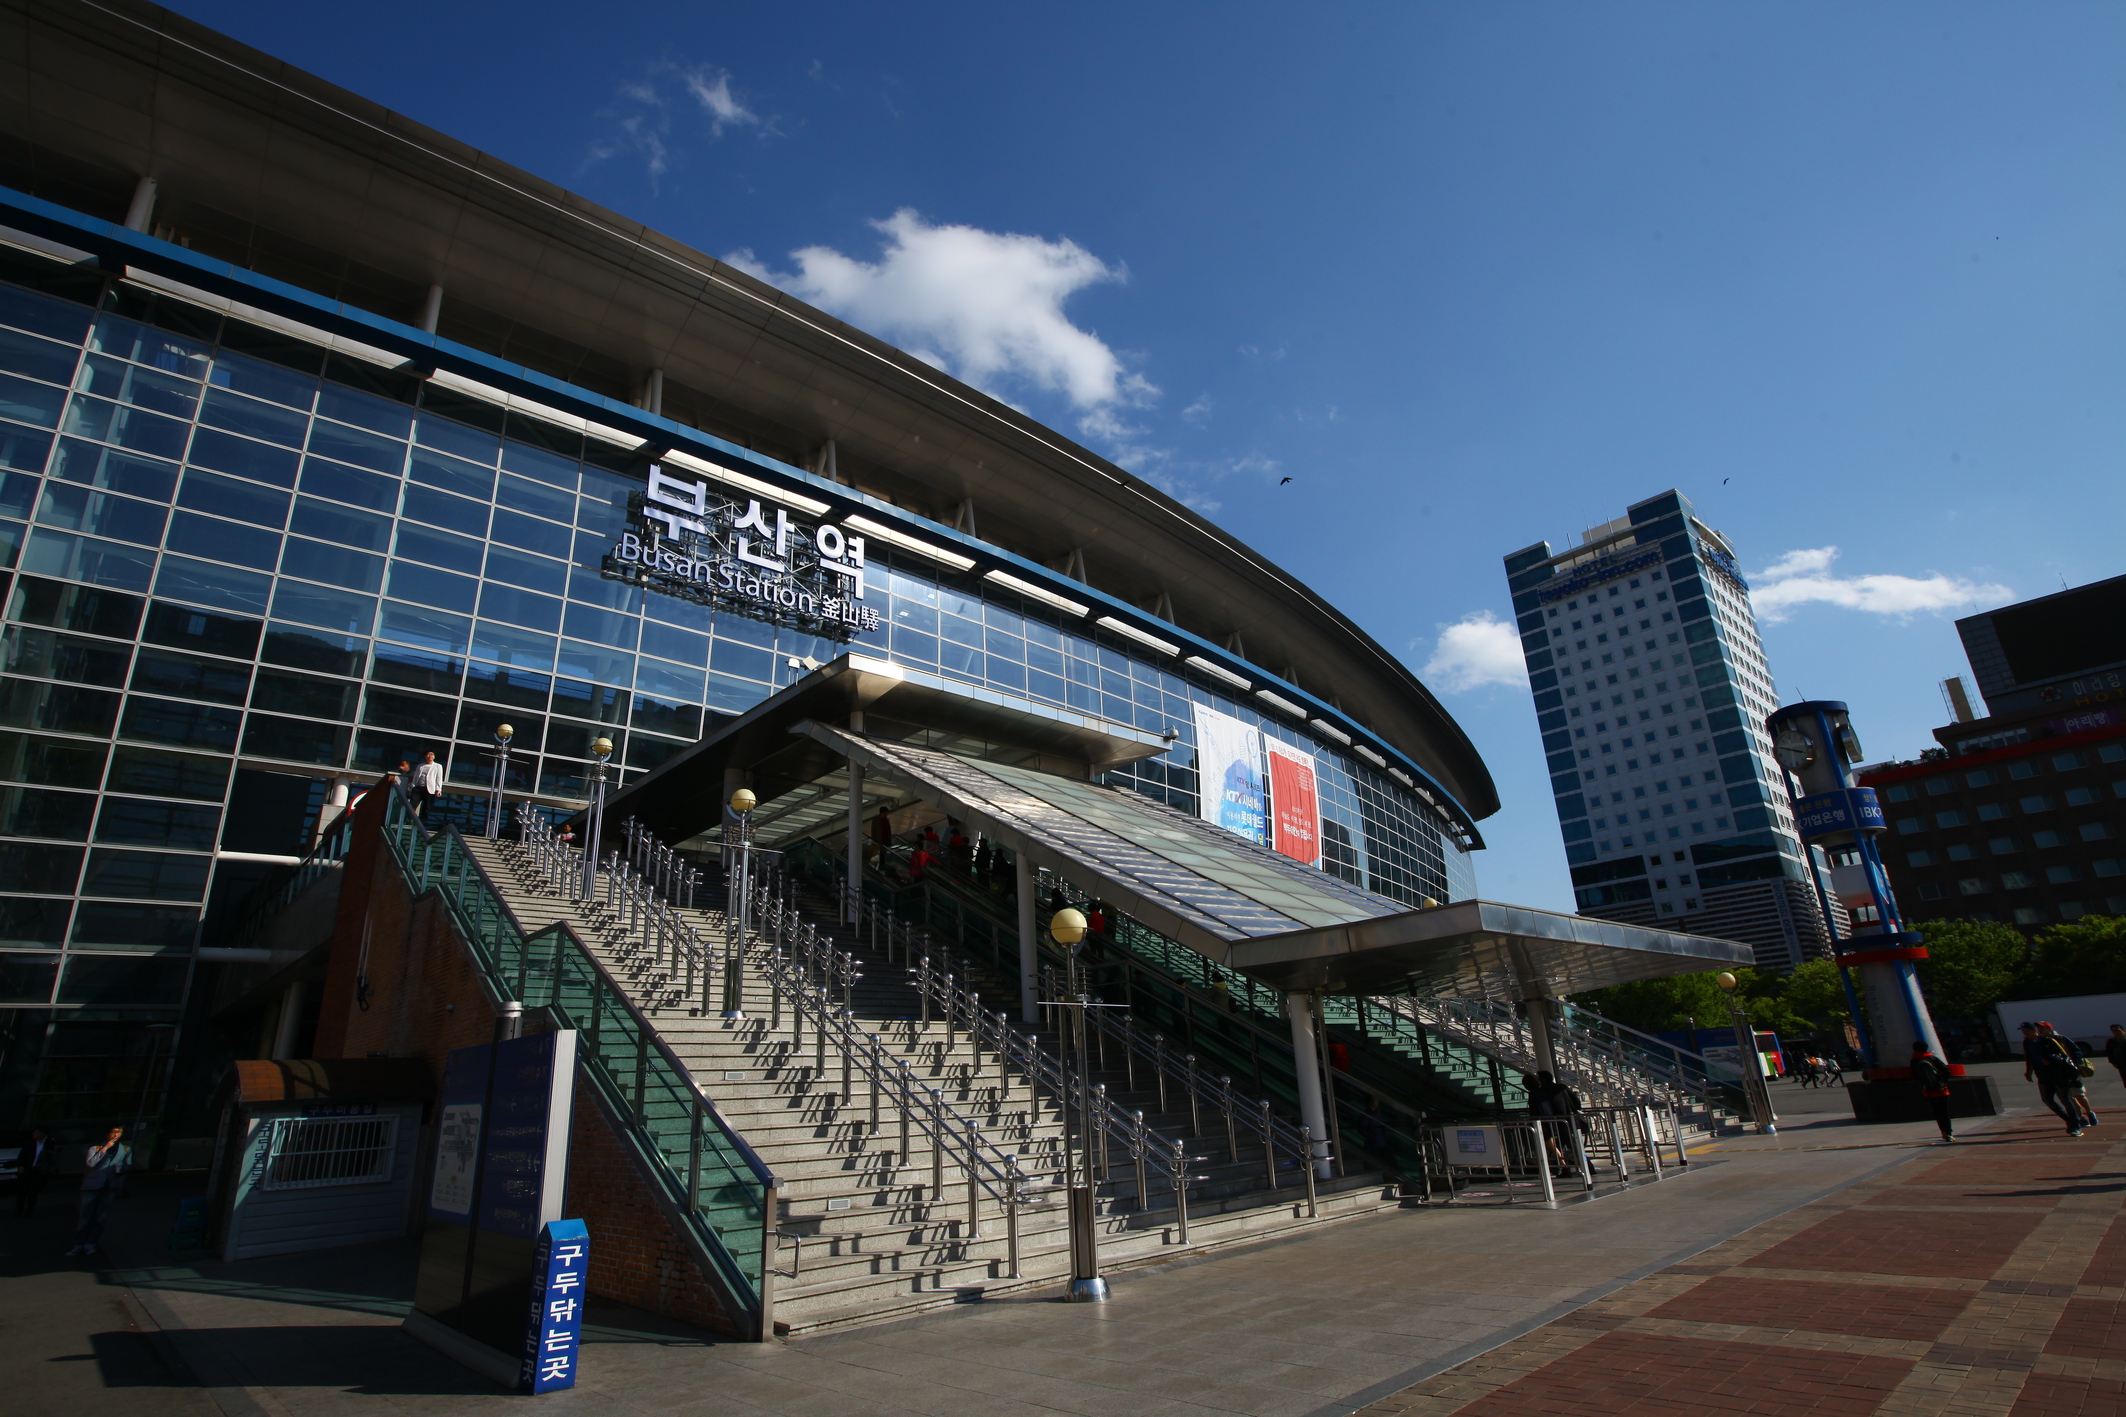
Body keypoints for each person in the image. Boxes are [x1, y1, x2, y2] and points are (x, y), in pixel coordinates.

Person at [66, 1126, 130, 1256]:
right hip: (92, 1186)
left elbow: (128, 1165)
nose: (116, 1135)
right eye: (113, 1132)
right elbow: (91, 1163)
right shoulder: (95, 1148)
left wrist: (123, 1169)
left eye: (119, 1132)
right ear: (107, 1134)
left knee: (100, 1218)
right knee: (85, 1218)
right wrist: (105, 1148)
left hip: (110, 1187)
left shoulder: (125, 1149)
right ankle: (78, 1245)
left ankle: (91, 1244)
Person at [2022, 1021, 2090, 1136]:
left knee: (2066, 1100)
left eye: (2027, 1031)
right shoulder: (2027, 1043)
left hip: (2058, 1076)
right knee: (2047, 1100)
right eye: (2024, 1031)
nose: (2025, 1033)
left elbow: (2064, 1056)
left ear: (2034, 1031)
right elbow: (2029, 1058)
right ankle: (2069, 1120)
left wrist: (2051, 1060)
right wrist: (2029, 1073)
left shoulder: (2048, 1041)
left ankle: (2075, 1126)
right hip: (2043, 1076)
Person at [1911, 1040, 1956, 1143]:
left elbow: (1915, 1075)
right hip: (1941, 1089)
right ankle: (1949, 1133)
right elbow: (1947, 1071)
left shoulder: (1914, 1061)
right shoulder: (1933, 1058)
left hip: (1927, 1090)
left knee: (1937, 1111)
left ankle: (1943, 1132)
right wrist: (1942, 1081)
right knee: (1944, 1111)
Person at [15, 1127, 55, 1217]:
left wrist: (46, 1167)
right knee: (21, 1191)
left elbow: (51, 1157)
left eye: (36, 1132)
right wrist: (20, 1166)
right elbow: (22, 1155)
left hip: (38, 1170)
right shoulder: (29, 1143)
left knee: (33, 1192)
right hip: (27, 1169)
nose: (34, 1134)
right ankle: (19, 1211)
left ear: (42, 1133)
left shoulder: (48, 1144)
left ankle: (28, 1211)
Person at [411, 750, 443, 818]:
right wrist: (413, 786)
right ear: (425, 756)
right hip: (419, 787)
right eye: (428, 754)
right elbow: (416, 776)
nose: (430, 756)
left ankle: (422, 822)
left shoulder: (438, 766)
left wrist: (438, 789)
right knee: (412, 805)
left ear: (434, 756)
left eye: (432, 754)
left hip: (429, 789)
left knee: (426, 807)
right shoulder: (420, 766)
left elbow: (439, 778)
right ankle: (409, 818)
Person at [2107, 1024, 2126, 1090]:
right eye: (2114, 1031)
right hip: (2122, 1065)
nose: (2116, 1032)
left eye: (2118, 1030)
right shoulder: (2111, 1041)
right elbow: (2110, 1053)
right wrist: (2113, 1062)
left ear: (2123, 1030)